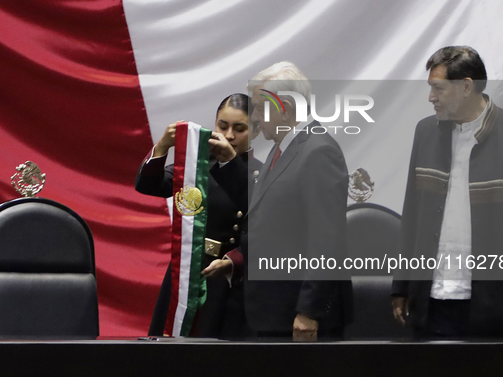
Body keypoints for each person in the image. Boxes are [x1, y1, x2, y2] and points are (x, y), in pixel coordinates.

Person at [392, 46, 503, 337]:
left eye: (438, 88)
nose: (431, 98)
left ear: (466, 87)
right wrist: (401, 285)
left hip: (494, 301)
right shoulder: (425, 132)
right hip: (429, 298)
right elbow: (412, 214)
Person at [213, 62, 349, 341]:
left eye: (261, 109)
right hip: (271, 313)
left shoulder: (318, 152)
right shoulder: (282, 150)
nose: (256, 119)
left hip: (297, 319)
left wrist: (309, 312)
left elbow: (327, 241)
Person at [135, 93, 262, 338]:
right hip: (186, 270)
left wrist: (234, 262)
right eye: (223, 126)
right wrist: (162, 145)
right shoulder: (198, 167)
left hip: (226, 278)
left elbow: (264, 227)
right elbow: (147, 185)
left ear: (255, 131)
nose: (229, 136)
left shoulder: (261, 174)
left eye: (240, 129)